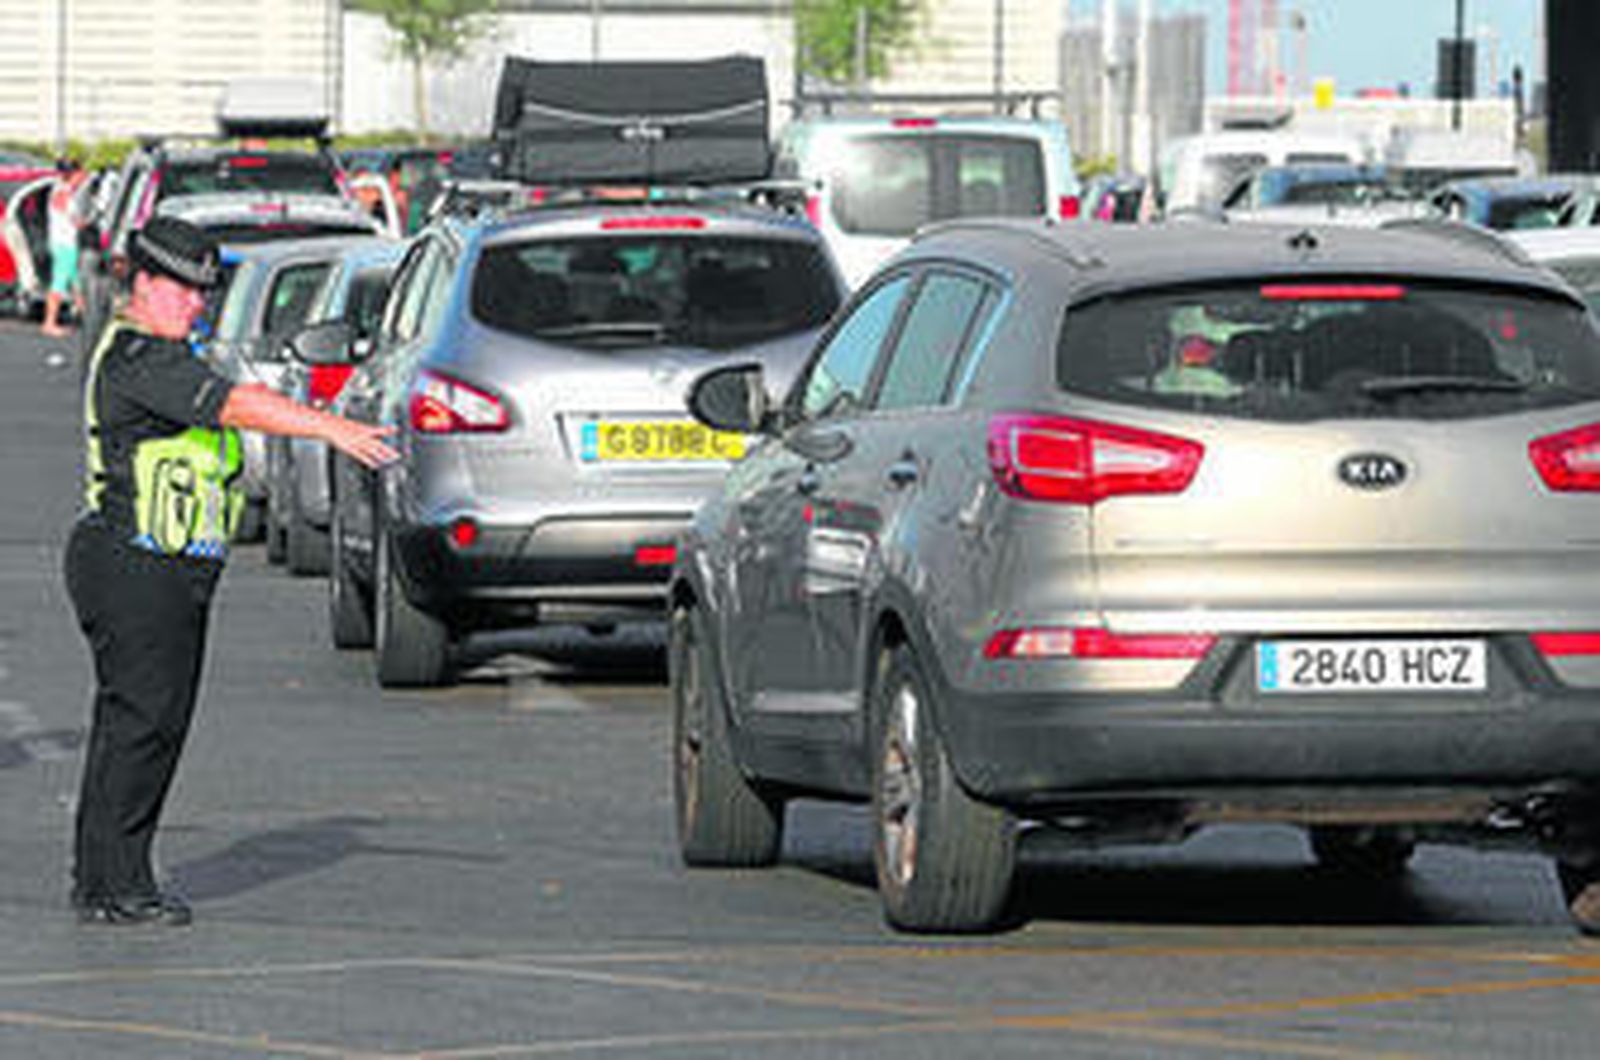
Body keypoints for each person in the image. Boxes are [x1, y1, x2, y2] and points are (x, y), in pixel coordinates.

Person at [63, 216, 398, 927]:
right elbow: (236, 404)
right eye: (181, 290)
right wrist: (333, 427)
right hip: (134, 563)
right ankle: (119, 884)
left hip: (162, 566)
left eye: (202, 293)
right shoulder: (139, 357)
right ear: (142, 284)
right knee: (146, 722)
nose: (195, 304)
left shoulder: (165, 353)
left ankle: (103, 877)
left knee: (138, 721)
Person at [41, 158, 88, 338]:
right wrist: (88, 222)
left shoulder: (60, 189)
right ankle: (49, 323)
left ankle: (86, 318)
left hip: (61, 242)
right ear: (73, 174)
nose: (83, 177)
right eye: (81, 174)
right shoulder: (63, 192)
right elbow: (74, 220)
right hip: (65, 244)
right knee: (59, 284)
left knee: (76, 282)